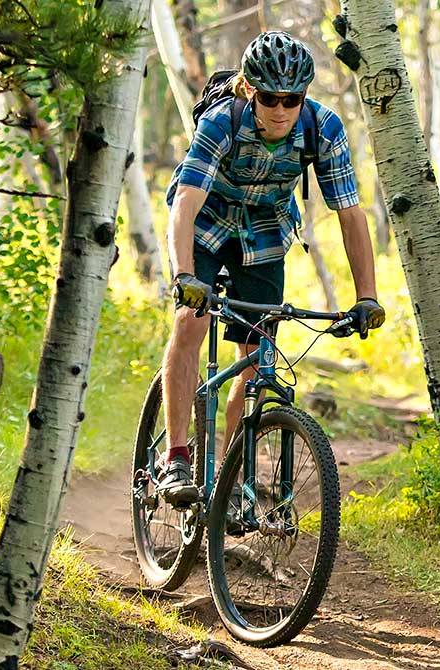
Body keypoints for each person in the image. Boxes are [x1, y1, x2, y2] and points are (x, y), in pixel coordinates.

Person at [155, 31, 385, 504]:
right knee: (190, 321)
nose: (281, 109)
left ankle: (231, 479)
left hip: (264, 231)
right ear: (247, 90)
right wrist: (184, 276)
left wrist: (366, 296)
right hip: (207, 222)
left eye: (292, 99)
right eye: (269, 98)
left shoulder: (324, 129)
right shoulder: (220, 123)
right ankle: (176, 457)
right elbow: (185, 203)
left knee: (257, 357)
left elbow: (350, 214)